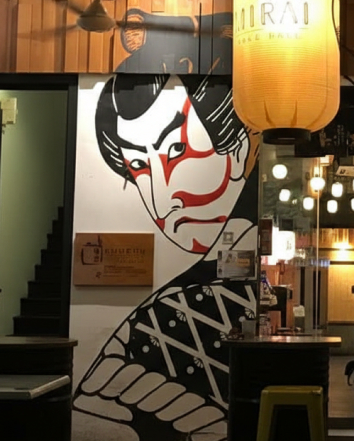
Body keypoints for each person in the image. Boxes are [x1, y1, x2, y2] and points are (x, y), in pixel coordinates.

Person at [73, 72, 260, 440]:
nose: (162, 199)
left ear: (236, 150)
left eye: (175, 151)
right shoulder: (164, 313)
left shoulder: (168, 313)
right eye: (140, 167)